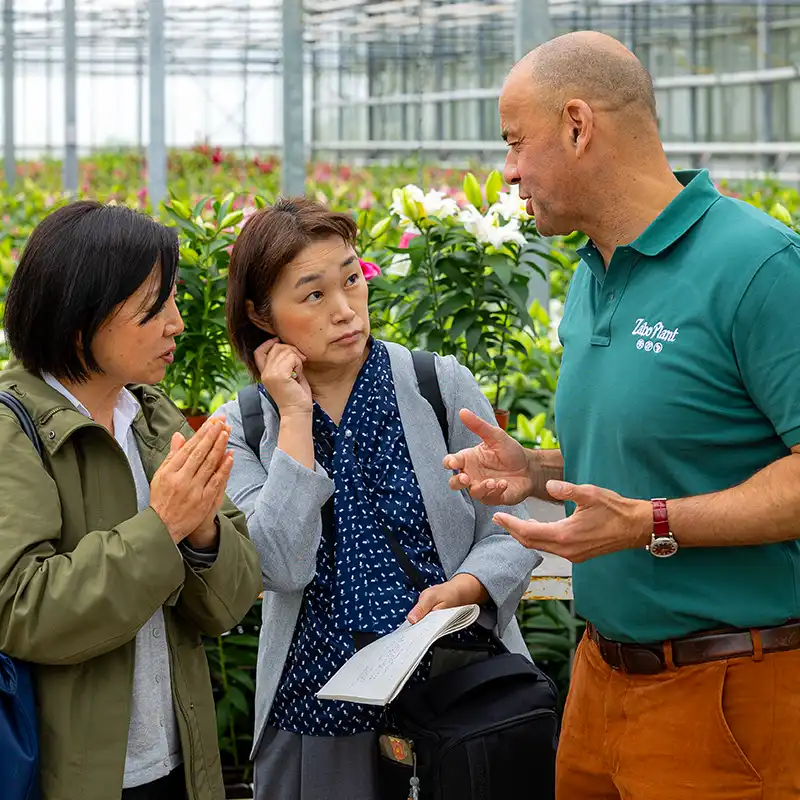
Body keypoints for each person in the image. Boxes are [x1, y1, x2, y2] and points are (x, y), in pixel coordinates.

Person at [444, 30, 800, 800]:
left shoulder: (759, 266)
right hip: (600, 678)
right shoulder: (593, 272)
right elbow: (671, 447)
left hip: (731, 691)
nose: (506, 172)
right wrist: (536, 470)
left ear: (578, 125)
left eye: (515, 143)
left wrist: (652, 523)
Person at [216, 197, 540, 800]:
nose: (344, 310)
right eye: (313, 295)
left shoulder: (435, 385)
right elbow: (280, 563)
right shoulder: (245, 425)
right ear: (264, 317)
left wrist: (466, 588)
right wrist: (293, 415)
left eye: (350, 280)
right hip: (316, 712)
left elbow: (507, 527)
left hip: (453, 697)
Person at [0, 200, 262, 800]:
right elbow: (20, 607)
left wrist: (203, 537)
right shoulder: (13, 427)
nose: (176, 322)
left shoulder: (150, 414)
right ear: (78, 318)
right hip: (74, 777)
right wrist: (163, 524)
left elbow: (228, 605)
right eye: (153, 307)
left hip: (178, 766)